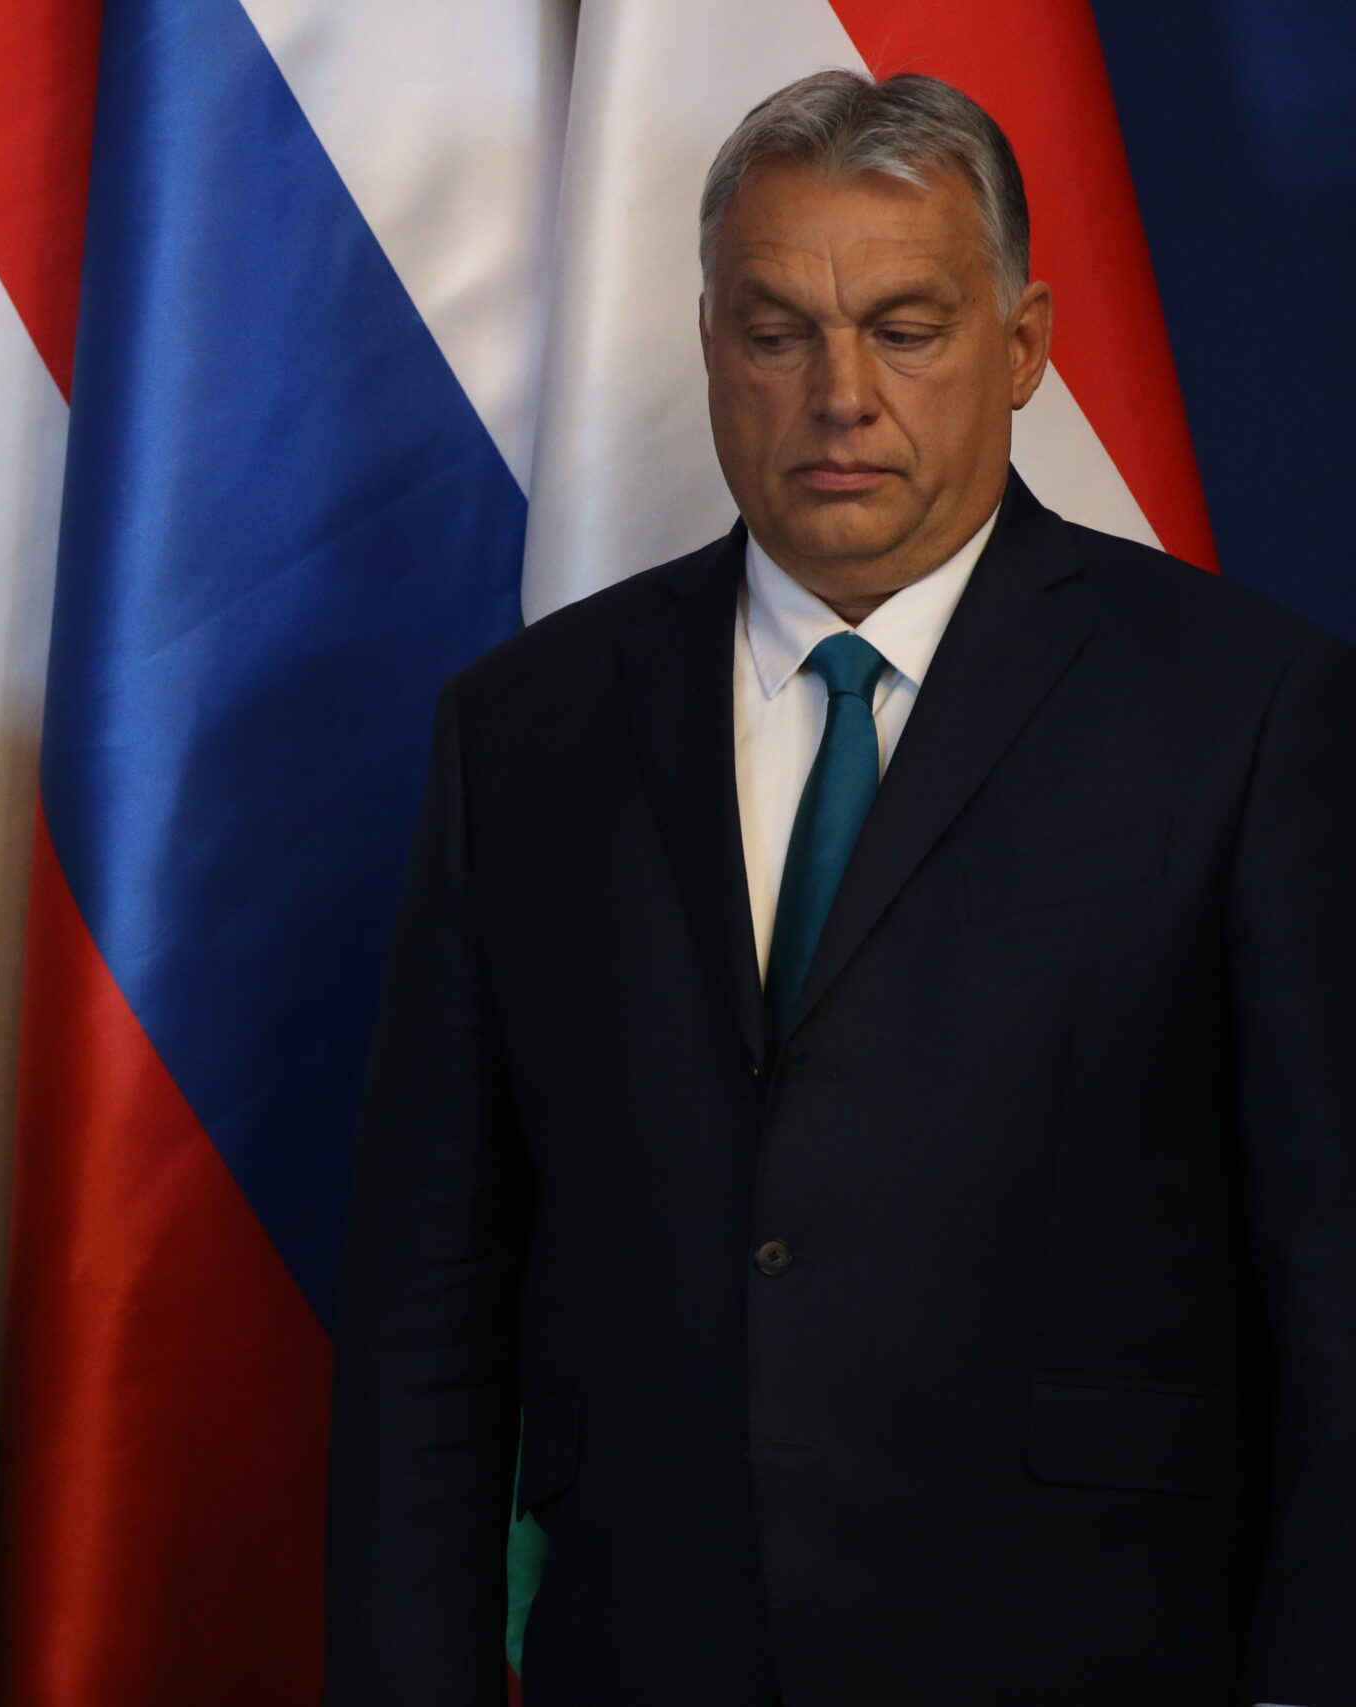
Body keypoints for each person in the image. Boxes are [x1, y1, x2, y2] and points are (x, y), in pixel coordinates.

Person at [326, 70, 1355, 1707]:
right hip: (652, 1647)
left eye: (906, 328)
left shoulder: (1245, 712)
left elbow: (1334, 1284)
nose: (841, 397)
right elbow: (427, 1305)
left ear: (1022, 346)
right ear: (709, 345)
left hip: (1089, 1652)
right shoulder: (525, 731)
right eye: (777, 333)